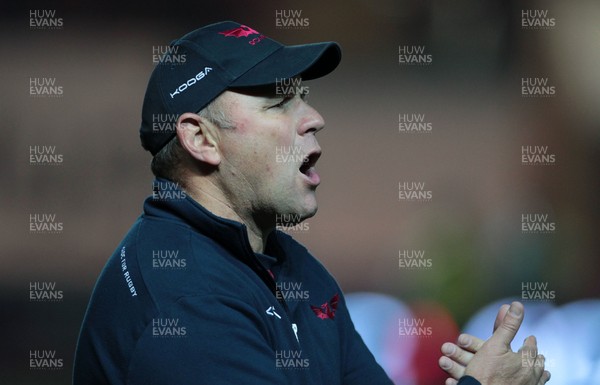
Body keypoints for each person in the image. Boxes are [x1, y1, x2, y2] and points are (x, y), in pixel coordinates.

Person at [73, 21, 550, 385]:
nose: (315, 118)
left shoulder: (289, 265)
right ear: (201, 139)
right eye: (280, 103)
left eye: (304, 97)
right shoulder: (183, 305)